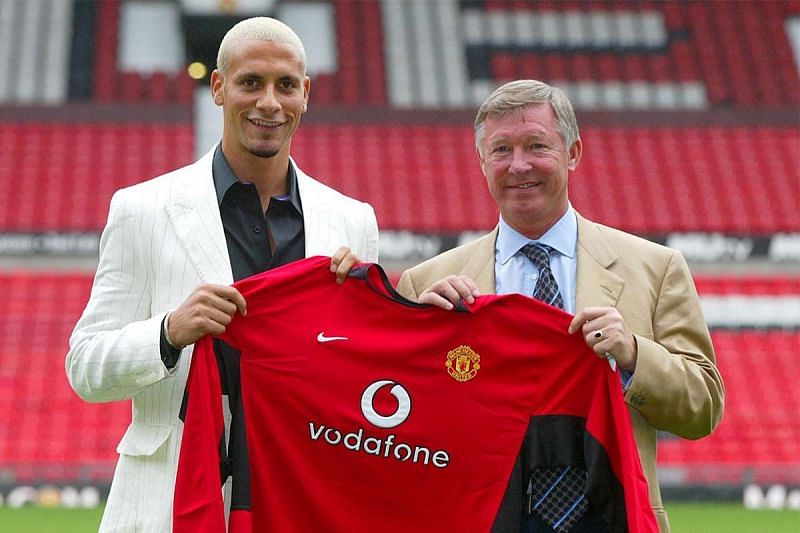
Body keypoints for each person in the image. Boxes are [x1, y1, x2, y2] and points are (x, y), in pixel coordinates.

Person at [66, 17, 378, 532]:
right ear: (218, 87)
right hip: (168, 501)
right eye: (251, 82)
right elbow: (84, 367)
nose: (269, 103)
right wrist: (167, 333)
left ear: (306, 93)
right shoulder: (142, 209)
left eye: (284, 86)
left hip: (302, 495)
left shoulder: (351, 220)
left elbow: (363, 373)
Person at [396, 79, 723, 532]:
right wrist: (425, 354)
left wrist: (633, 355)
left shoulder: (655, 267)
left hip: (615, 519)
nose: (519, 165)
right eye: (502, 150)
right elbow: (401, 432)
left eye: (537, 145)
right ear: (481, 162)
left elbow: (703, 408)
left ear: (573, 153)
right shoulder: (427, 284)